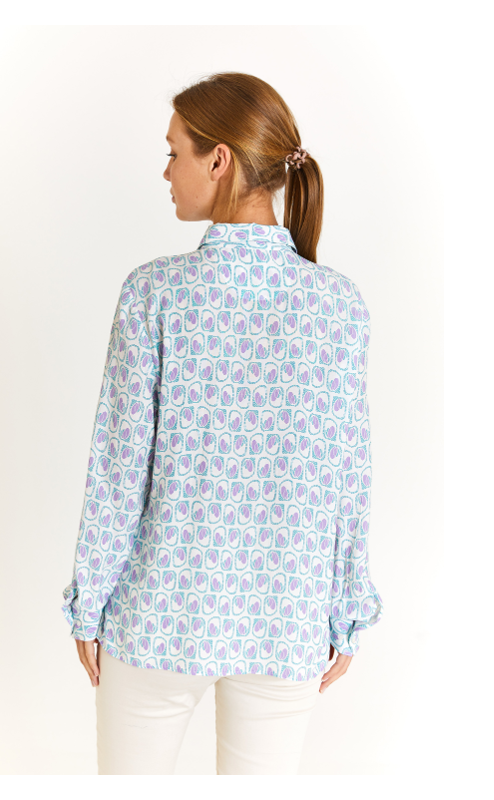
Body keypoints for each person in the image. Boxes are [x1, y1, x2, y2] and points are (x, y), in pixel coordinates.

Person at [62, 72, 383, 775]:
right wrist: (346, 607)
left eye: (173, 151)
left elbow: (119, 468)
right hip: (285, 616)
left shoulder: (155, 294)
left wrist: (90, 602)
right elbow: (347, 475)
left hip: (158, 614)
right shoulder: (338, 306)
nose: (166, 172)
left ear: (219, 160)